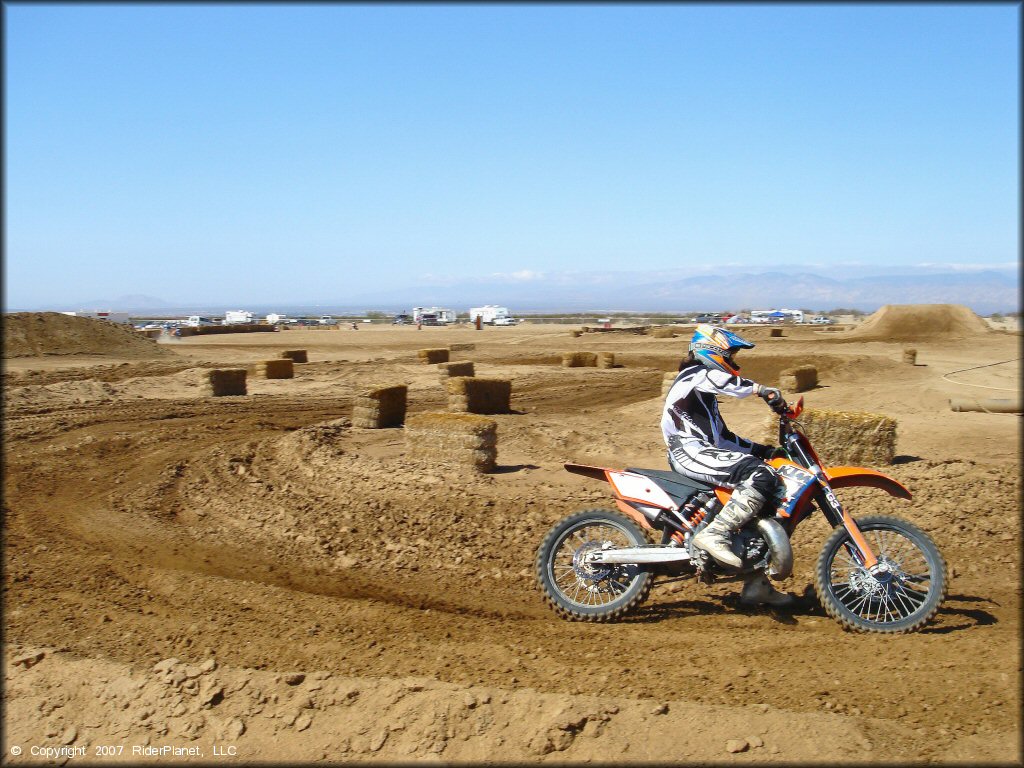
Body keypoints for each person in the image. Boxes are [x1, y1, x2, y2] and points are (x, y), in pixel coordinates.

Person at [661, 324, 795, 607]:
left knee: (764, 486)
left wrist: (765, 450)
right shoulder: (694, 375)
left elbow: (725, 439)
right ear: (713, 352)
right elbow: (724, 382)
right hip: (689, 451)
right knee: (759, 474)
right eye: (731, 355)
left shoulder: (704, 398)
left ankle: (756, 583)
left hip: (703, 449)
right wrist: (761, 390)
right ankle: (715, 533)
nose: (735, 362)